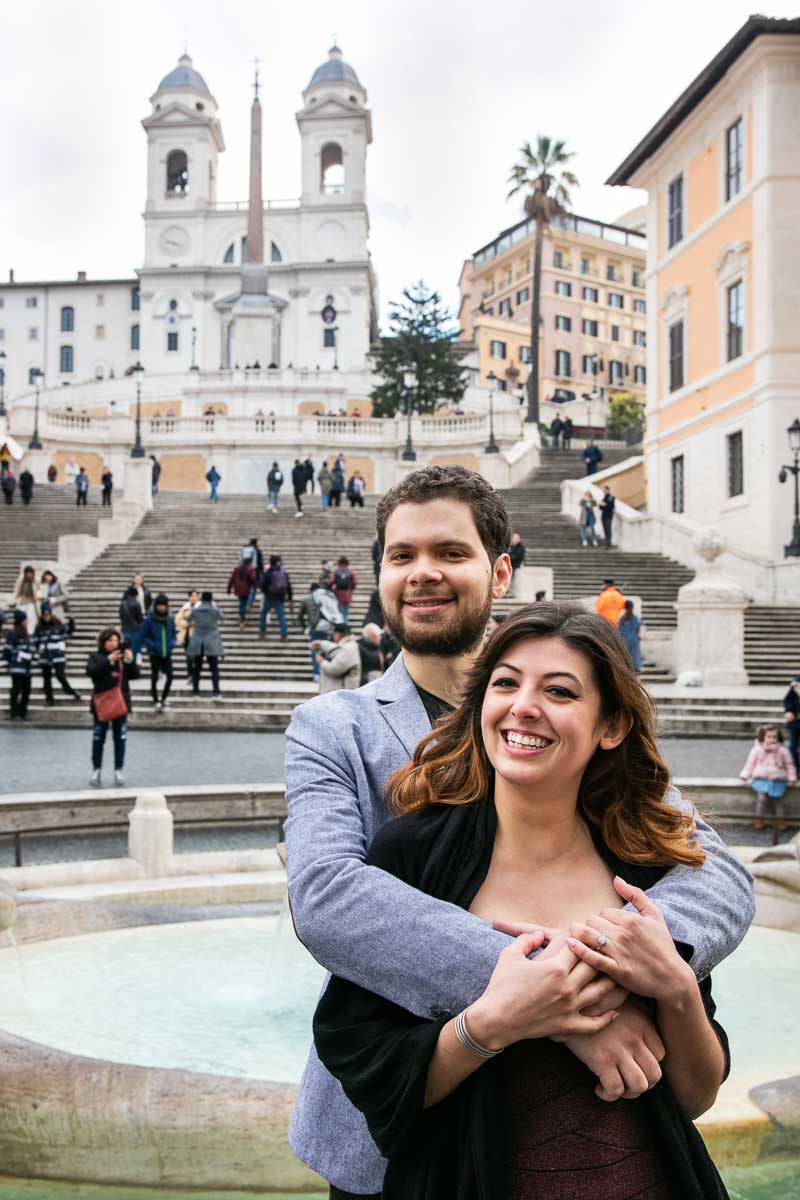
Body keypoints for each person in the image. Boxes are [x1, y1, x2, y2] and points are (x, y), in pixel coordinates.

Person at [284, 464, 754, 1197]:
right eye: (401, 556)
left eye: (450, 552)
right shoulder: (331, 726)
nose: (423, 574)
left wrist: (643, 969)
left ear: (500, 570)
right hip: (401, 1122)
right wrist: (562, 1001)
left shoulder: (574, 687)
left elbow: (715, 869)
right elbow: (326, 898)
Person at [86, 627, 139, 786]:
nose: (113, 643)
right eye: (110, 640)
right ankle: (96, 770)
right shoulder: (96, 657)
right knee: (98, 738)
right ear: (103, 642)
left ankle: (118, 770)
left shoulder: (122, 659)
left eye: (116, 640)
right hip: (101, 704)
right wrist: (108, 661)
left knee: (120, 739)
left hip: (119, 704)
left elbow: (135, 675)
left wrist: (130, 660)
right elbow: (92, 672)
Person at [740, 724, 796, 833]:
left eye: (774, 737)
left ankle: (781, 821)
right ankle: (759, 819)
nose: (772, 739)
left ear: (778, 738)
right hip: (761, 779)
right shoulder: (757, 750)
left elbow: (789, 764)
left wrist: (792, 777)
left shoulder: (783, 751)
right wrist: (745, 774)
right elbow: (750, 763)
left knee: (778, 800)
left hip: (777, 779)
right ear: (763, 738)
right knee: (761, 799)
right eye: (769, 737)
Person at [34, 602, 81, 705]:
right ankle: (49, 699)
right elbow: (36, 641)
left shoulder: (57, 624)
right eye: (44, 614)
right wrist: (41, 650)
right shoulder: (39, 627)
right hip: (45, 657)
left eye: (48, 614)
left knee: (61, 676)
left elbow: (68, 631)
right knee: (47, 679)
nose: (46, 616)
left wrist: (72, 623)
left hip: (57, 656)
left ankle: (70, 691)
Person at [297, 581, 343, 682]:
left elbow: (299, 616)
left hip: (314, 629)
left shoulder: (307, 599)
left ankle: (317, 674)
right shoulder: (327, 597)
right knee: (327, 651)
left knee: (316, 651)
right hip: (328, 628)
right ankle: (325, 673)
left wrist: (305, 627)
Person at [140, 593, 177, 711]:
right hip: (155, 653)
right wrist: (153, 645)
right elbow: (144, 636)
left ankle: (164, 699)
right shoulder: (149, 620)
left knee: (170, 676)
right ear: (156, 606)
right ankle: (156, 700)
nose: (161, 608)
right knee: (155, 677)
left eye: (164, 606)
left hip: (167, 652)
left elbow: (173, 634)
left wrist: (172, 643)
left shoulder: (170, 619)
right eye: (159, 605)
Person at [187, 591, 224, 700]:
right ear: (211, 599)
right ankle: (216, 692)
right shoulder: (215, 611)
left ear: (201, 599)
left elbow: (188, 619)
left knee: (197, 668)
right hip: (212, 641)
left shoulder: (195, 610)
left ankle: (195, 692)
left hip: (198, 640)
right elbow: (223, 617)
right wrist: (214, 606)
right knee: (214, 668)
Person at [312, 623, 361, 693]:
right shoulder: (348, 645)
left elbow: (334, 669)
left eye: (334, 633)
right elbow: (335, 648)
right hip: (339, 693)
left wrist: (321, 662)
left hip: (342, 695)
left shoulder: (349, 649)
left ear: (338, 634)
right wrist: (321, 644)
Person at [3, 611, 34, 721]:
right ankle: (14, 713)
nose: (27, 621)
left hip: (26, 668)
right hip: (16, 668)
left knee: (27, 690)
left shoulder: (26, 634)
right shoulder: (12, 634)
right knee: (16, 691)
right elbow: (7, 651)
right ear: (21, 621)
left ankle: (22, 712)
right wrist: (19, 655)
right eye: (25, 619)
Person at [259, 554, 292, 640]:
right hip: (280, 598)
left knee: (264, 613)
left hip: (269, 598)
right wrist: (289, 598)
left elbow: (262, 585)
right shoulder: (283, 572)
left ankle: (262, 632)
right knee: (281, 616)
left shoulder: (268, 572)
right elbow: (288, 585)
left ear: (270, 562)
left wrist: (266, 593)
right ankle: (284, 635)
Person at [175, 589, 199, 681]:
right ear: (189, 597)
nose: (193, 598)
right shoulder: (185, 607)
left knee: (196, 657)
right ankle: (190, 675)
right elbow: (177, 620)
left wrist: (194, 622)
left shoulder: (201, 607)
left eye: (195, 596)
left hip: (197, 635)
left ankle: (195, 674)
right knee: (189, 656)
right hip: (186, 636)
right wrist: (187, 623)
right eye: (192, 596)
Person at [227, 557, 257, 630]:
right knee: (243, 604)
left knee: (241, 603)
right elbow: (253, 578)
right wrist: (253, 584)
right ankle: (242, 620)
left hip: (238, 588)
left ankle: (241, 617)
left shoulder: (237, 569)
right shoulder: (250, 569)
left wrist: (229, 589)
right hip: (246, 588)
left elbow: (232, 579)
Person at [618, 598, 643, 673]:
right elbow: (638, 628)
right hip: (634, 640)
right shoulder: (635, 618)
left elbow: (620, 629)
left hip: (624, 640)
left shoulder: (622, 618)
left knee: (626, 657)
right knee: (635, 657)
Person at [329, 557, 356, 623]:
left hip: (338, 594)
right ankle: (345, 627)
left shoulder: (336, 571)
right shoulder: (350, 571)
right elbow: (354, 582)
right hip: (347, 594)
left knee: (339, 612)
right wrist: (351, 590)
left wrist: (331, 589)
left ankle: (340, 627)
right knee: (345, 613)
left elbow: (331, 582)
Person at [782, 674, 800, 773]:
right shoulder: (796, 682)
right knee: (792, 747)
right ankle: (795, 769)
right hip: (795, 723)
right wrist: (789, 711)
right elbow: (788, 699)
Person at [14, 565, 41, 629]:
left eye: (30, 573)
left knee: (31, 620)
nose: (29, 574)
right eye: (27, 573)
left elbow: (39, 592)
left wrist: (37, 596)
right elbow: (17, 593)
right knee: (21, 620)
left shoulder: (36, 581)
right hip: (22, 603)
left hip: (32, 604)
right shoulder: (20, 582)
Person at [508, 531, 525, 596]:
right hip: (511, 565)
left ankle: (509, 591)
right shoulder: (512, 547)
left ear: (518, 539)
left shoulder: (520, 547)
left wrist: (509, 558)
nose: (513, 539)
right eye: (513, 538)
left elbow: (517, 556)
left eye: (515, 538)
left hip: (515, 565)